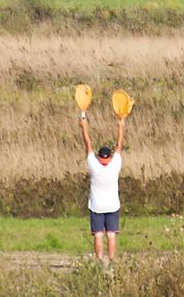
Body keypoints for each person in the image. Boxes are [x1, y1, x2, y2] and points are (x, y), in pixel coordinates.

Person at [79, 111, 126, 264]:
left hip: (96, 206)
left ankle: (99, 262)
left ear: (99, 158)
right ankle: (112, 262)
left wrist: (84, 126)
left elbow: (88, 145)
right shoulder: (115, 165)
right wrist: (121, 124)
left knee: (98, 235)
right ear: (110, 157)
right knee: (111, 235)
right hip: (112, 206)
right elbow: (119, 145)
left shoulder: (94, 166)